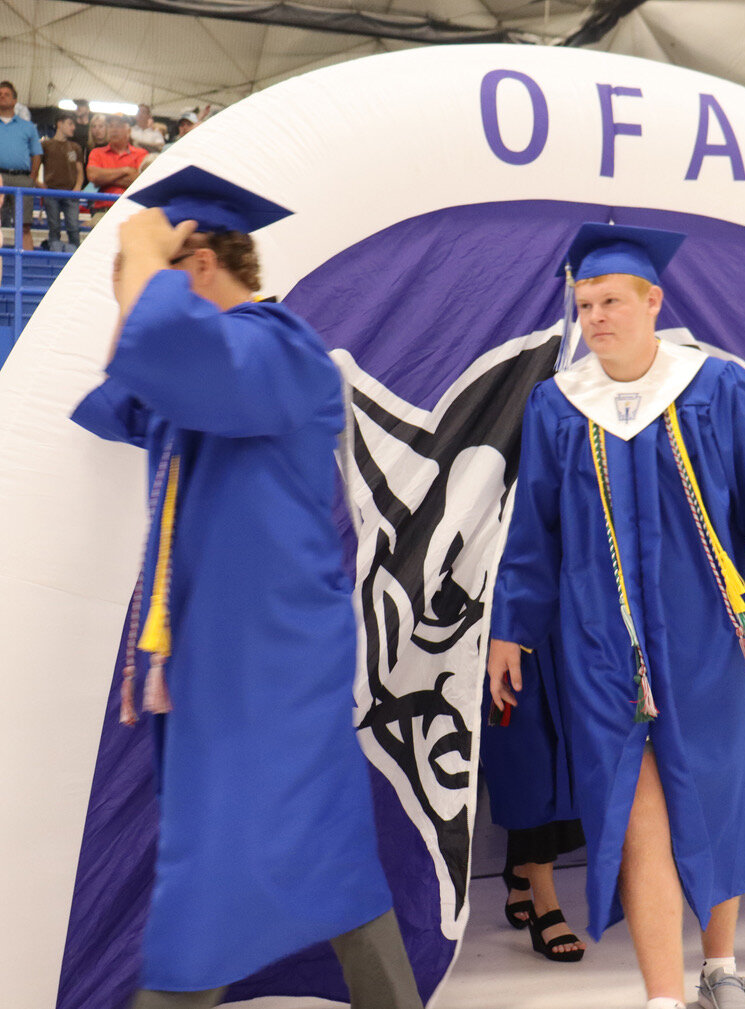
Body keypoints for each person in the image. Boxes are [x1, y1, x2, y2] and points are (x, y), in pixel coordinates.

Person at [70, 165, 424, 1009]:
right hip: (221, 665)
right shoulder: (202, 377)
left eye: (144, 280)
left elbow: (161, 350)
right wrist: (139, 282)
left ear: (194, 268)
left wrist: (141, 256)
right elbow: (123, 387)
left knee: (203, 890)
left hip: (270, 668)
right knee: (332, 862)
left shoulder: (282, 350)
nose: (132, 297)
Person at [487, 223, 745, 1009]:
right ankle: (663, 996)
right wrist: (512, 624)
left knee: (712, 797)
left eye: (610, 300)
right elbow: (534, 529)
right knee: (637, 812)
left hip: (714, 638)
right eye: (584, 304)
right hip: (600, 645)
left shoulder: (720, 388)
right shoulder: (560, 405)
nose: (595, 316)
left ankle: (719, 967)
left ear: (653, 300)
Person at [482, 635, 587, 961]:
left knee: (569, 755)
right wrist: (503, 628)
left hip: (565, 617)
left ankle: (520, 866)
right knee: (529, 763)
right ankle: (546, 904)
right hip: (505, 621)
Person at [0, 79, 42, 250]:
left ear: (15, 100)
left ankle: (26, 268)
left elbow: (37, 154)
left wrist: (32, 178)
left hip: (22, 180)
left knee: (24, 225)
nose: (2, 97)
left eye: (6, 94)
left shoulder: (28, 127)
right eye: (0, 94)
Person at [85, 114, 147, 226]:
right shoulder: (97, 152)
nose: (114, 130)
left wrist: (105, 178)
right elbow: (93, 176)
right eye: (110, 126)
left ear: (128, 131)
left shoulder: (141, 153)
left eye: (118, 126)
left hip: (132, 211)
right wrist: (126, 170)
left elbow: (141, 181)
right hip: (103, 211)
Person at [40, 111, 83, 248]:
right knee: (54, 226)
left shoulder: (75, 147)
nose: (73, 128)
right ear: (60, 124)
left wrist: (77, 188)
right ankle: (55, 253)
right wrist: (40, 185)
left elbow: (79, 171)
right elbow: (35, 167)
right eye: (70, 124)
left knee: (73, 227)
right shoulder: (45, 145)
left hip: (70, 193)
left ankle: (75, 254)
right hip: (51, 192)